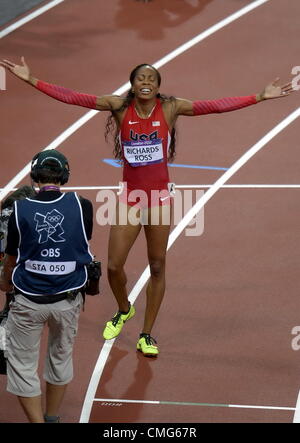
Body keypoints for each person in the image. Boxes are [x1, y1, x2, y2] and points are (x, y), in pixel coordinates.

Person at [0, 58, 294, 358]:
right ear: (133, 83)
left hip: (159, 200)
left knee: (157, 266)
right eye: (141, 77)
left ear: (158, 86)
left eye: (152, 78)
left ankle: (146, 334)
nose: (146, 81)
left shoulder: (171, 107)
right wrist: (31, 79)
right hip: (130, 197)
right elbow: (76, 97)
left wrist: (259, 96)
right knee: (113, 266)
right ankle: (124, 309)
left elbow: (215, 106)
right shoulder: (118, 106)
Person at [0, 149, 94, 423]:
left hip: (28, 301)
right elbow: (81, 239)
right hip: (68, 299)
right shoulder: (82, 204)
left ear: (33, 175)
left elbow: (11, 257)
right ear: (65, 174)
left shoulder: (19, 208)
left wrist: (5, 281)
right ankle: (52, 418)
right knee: (60, 359)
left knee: (23, 365)